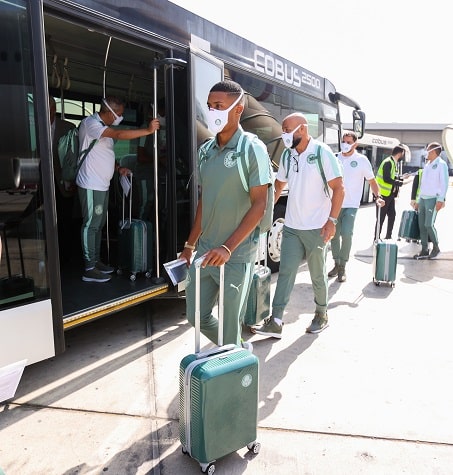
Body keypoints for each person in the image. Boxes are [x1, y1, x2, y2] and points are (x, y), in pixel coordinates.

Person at [180, 80, 272, 348]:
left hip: (235, 254)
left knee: (231, 324)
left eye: (219, 106)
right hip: (206, 251)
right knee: (195, 315)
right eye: (209, 106)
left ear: (238, 108)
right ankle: (236, 350)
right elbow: (204, 201)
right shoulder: (206, 151)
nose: (212, 112)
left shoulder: (251, 149)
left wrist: (228, 248)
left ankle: (233, 363)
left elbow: (260, 205)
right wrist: (189, 245)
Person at [253, 112, 344, 337]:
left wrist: (331, 221)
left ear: (302, 129)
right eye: (283, 129)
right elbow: (278, 186)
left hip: (316, 227)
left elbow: (339, 188)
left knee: (317, 275)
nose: (284, 134)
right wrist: (264, 213)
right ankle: (275, 320)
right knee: (285, 273)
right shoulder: (287, 155)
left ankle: (321, 314)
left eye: (287, 129)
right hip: (292, 227)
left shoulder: (322, 152)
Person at [76, 96, 160, 282]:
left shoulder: (102, 129)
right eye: (119, 114)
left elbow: (103, 153)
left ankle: (96, 261)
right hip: (91, 184)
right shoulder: (91, 124)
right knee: (91, 225)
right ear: (108, 111)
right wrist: (147, 130)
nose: (120, 118)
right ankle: (89, 267)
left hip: (101, 185)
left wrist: (118, 168)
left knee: (98, 225)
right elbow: (119, 135)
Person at [328, 131, 383, 282]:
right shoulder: (334, 157)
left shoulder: (361, 160)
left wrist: (378, 197)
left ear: (355, 144)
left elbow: (372, 181)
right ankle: (336, 263)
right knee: (333, 235)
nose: (345, 144)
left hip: (351, 205)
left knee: (346, 234)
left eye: (348, 142)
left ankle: (342, 266)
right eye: (343, 141)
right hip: (334, 204)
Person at [49, 96, 77, 261]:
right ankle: (50, 253)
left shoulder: (68, 127)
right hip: (44, 181)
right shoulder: (37, 125)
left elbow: (73, 158)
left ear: (53, 109)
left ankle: (65, 258)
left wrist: (72, 181)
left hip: (64, 182)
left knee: (65, 219)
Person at [412, 142, 449, 259]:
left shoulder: (441, 164)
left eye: (427, 150)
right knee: (421, 226)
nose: (425, 152)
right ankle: (424, 249)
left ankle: (436, 248)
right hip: (423, 198)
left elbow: (444, 183)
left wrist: (440, 199)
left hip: (433, 199)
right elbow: (423, 184)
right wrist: (418, 200)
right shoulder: (427, 164)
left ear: (433, 151)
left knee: (428, 224)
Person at [136, 98, 166, 220]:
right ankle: (138, 233)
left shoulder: (159, 131)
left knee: (157, 204)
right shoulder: (145, 129)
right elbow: (141, 156)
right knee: (144, 204)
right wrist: (159, 160)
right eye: (161, 113)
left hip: (156, 174)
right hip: (144, 174)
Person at [375, 144, 408, 240]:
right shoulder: (388, 162)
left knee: (392, 215)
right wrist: (401, 183)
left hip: (390, 195)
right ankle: (376, 238)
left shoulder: (393, 163)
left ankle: (388, 236)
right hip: (382, 195)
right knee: (380, 218)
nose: (403, 156)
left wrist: (401, 177)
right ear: (400, 153)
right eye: (403, 154)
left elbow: (392, 176)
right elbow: (386, 179)